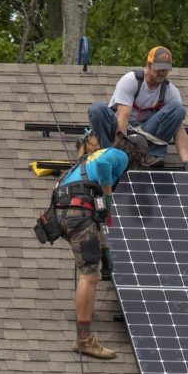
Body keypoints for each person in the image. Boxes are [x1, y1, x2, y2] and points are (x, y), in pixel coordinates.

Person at [54, 131, 129, 359]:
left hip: (63, 215)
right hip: (78, 214)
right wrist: (108, 197)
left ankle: (84, 336)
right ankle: (84, 340)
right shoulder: (117, 155)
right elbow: (107, 164)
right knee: (89, 276)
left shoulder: (83, 164)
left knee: (92, 270)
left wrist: (103, 249)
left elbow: (96, 218)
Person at [88, 46, 188, 171]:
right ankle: (108, 154)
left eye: (166, 70)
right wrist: (120, 155)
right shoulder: (131, 80)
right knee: (96, 109)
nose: (162, 73)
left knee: (178, 109)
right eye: (159, 69)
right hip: (118, 131)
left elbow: (178, 128)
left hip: (145, 136)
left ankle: (150, 156)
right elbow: (123, 116)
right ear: (149, 65)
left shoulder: (170, 91)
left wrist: (187, 161)